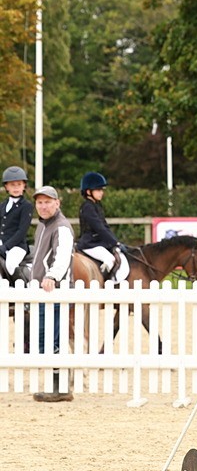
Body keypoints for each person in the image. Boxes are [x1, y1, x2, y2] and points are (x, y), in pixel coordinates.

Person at [29, 186, 74, 402]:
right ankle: (60, 385)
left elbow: (63, 255)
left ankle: (61, 388)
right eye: (40, 202)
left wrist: (53, 276)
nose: (43, 206)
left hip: (54, 291)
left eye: (48, 202)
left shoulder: (61, 227)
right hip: (42, 291)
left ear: (57, 203)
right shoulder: (42, 226)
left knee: (52, 340)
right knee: (45, 341)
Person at [76, 171, 129, 283]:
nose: (101, 193)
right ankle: (102, 284)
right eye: (98, 190)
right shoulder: (87, 207)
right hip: (90, 243)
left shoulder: (97, 205)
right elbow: (99, 228)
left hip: (97, 242)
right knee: (110, 260)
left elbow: (105, 226)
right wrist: (115, 243)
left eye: (102, 190)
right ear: (88, 191)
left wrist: (116, 242)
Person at [0, 166, 33, 283]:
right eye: (12, 185)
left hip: (18, 246)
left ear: (24, 186)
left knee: (10, 263)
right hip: (2, 241)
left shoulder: (27, 206)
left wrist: (5, 247)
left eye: (19, 184)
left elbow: (21, 231)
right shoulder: (2, 205)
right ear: (6, 187)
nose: (16, 188)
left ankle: (21, 289)